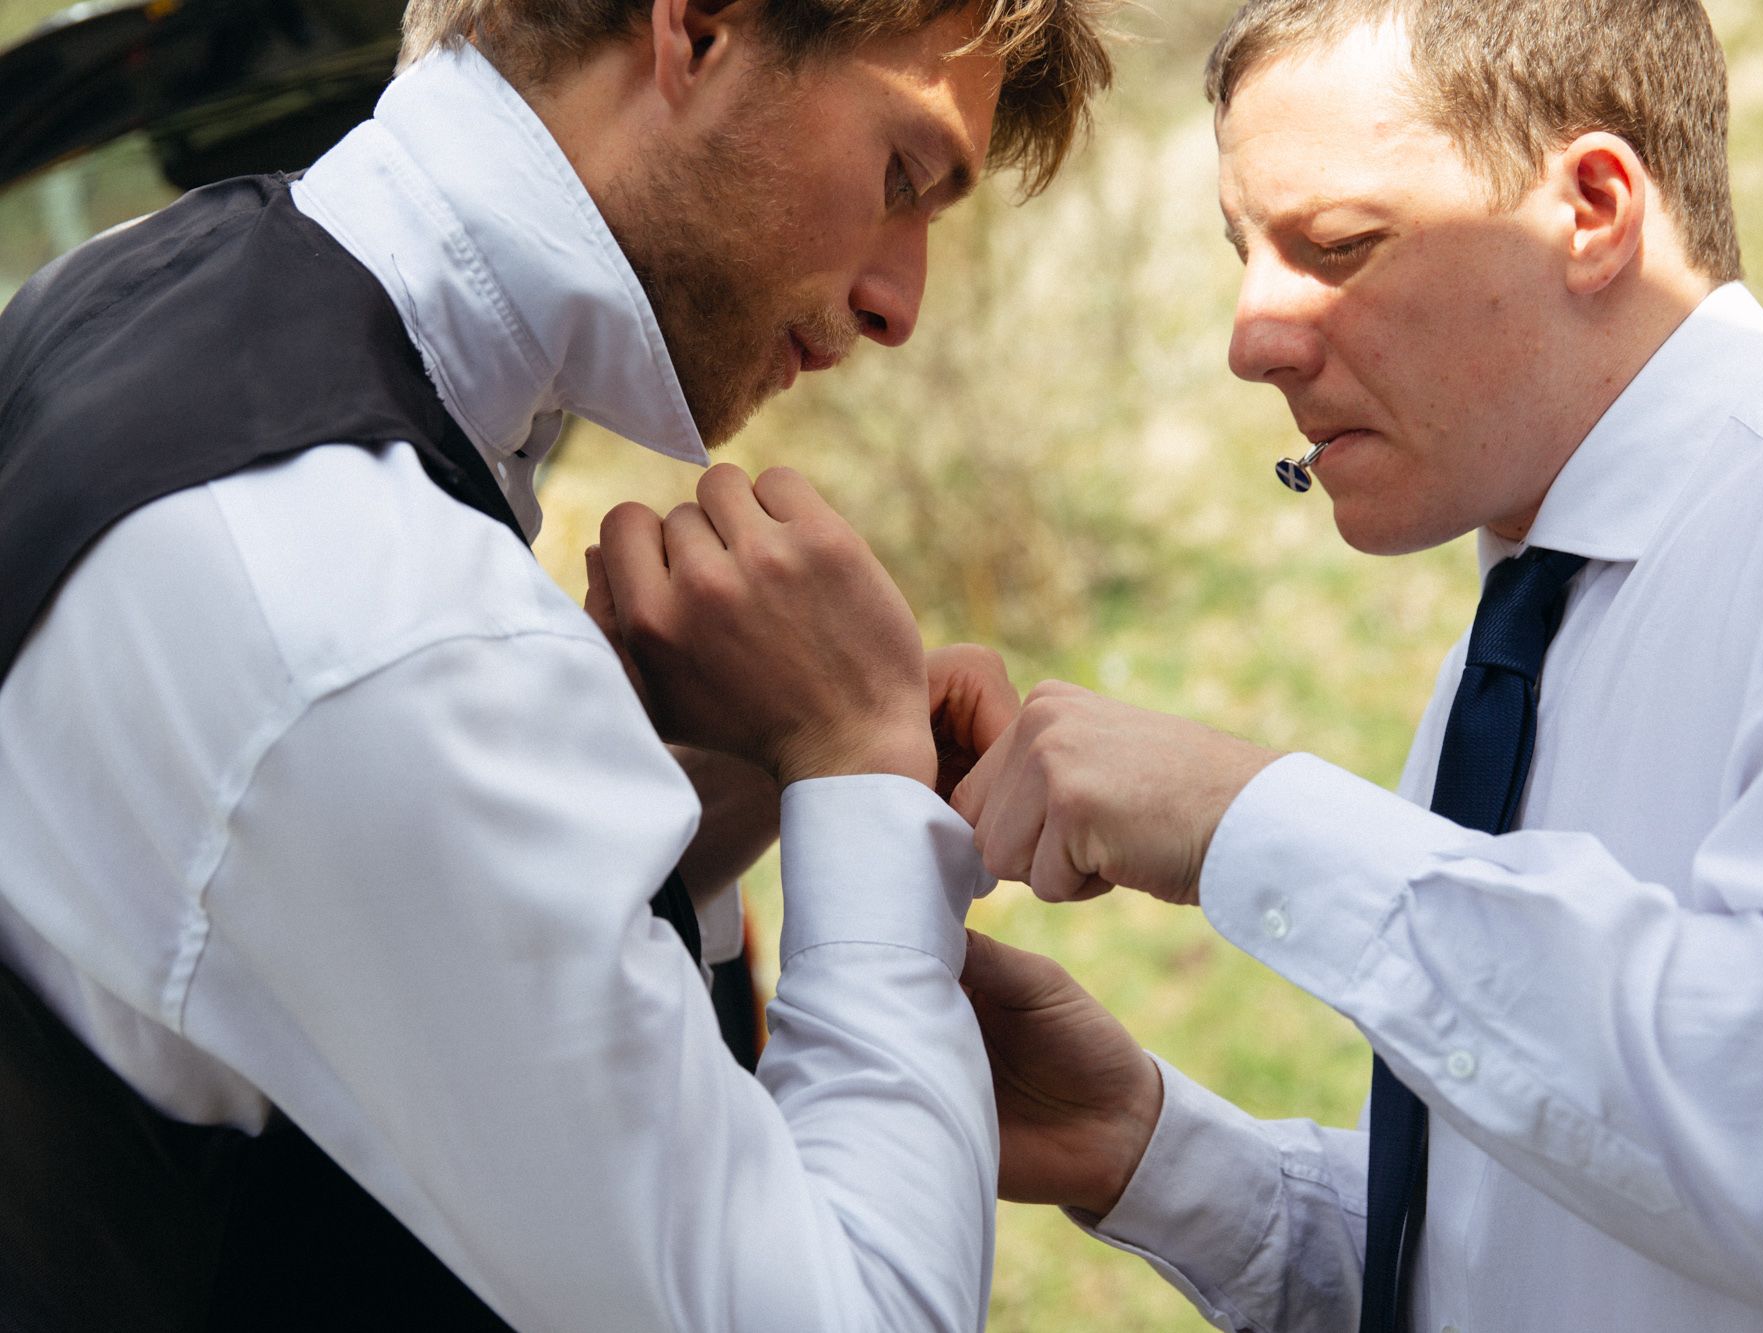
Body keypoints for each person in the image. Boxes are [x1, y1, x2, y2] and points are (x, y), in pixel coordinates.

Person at [0, 0, 1112, 1328]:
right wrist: (855, 761)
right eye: (899, 179)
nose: (898, 304)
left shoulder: (133, 285)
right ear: (696, 32)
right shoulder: (371, 612)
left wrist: (679, 804)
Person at [949, 0, 1763, 1329]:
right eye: (1242, 253)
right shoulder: (1510, 651)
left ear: (1594, 207)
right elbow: (1538, 1268)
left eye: (1339, 244)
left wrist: (1247, 818)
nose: (1248, 338)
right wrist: (1144, 1142)